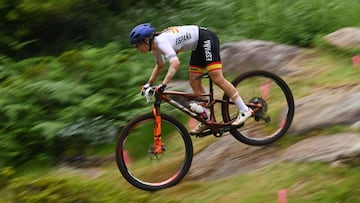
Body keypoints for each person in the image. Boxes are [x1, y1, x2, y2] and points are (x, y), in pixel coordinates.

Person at [129, 23, 252, 134]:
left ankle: (244, 109)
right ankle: (207, 118)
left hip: (206, 38)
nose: (137, 49)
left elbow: (175, 63)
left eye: (137, 45)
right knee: (194, 82)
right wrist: (148, 84)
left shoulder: (161, 43)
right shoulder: (154, 47)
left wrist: (163, 84)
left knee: (217, 78)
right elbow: (160, 65)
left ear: (146, 40)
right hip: (197, 46)